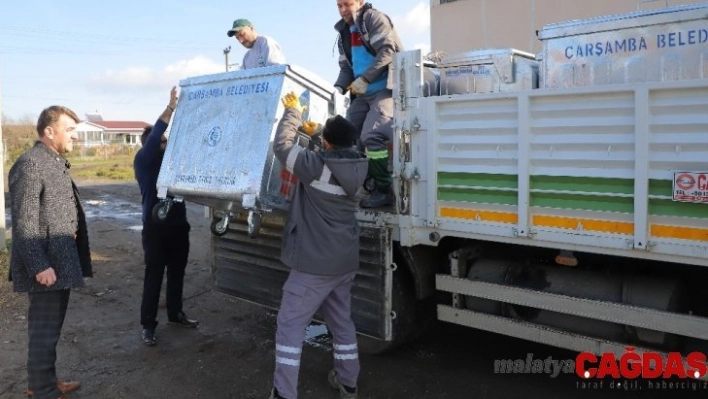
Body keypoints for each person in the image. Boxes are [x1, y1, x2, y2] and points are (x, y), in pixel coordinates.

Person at [269, 92, 368, 399]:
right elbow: (330, 161)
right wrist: (315, 135)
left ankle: (284, 393)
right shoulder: (358, 165)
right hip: (344, 262)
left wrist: (293, 113)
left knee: (289, 326)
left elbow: (282, 146)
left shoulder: (315, 167)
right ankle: (348, 383)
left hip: (314, 265)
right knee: (341, 323)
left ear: (327, 144)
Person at [9, 105, 92, 399]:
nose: (74, 137)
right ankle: (43, 391)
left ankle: (44, 381)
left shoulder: (54, 161)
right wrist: (38, 265)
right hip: (46, 266)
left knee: (51, 329)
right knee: (43, 332)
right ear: (49, 131)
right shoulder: (31, 164)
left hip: (61, 261)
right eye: (69, 130)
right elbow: (23, 222)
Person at [134, 86, 198, 347]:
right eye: (162, 141)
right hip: (155, 228)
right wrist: (171, 107)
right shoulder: (145, 159)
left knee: (177, 273)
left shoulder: (171, 162)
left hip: (178, 227)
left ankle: (175, 313)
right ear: (152, 144)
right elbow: (158, 134)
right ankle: (148, 326)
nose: (166, 143)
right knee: (154, 275)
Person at [334, 0, 404, 208]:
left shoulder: (373, 19)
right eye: (339, 5)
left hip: (386, 90)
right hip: (363, 95)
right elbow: (347, 67)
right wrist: (338, 88)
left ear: (360, 2)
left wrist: (364, 79)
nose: (343, 9)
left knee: (371, 135)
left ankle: (384, 190)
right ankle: (358, 185)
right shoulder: (344, 32)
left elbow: (388, 52)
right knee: (344, 136)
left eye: (347, 4)